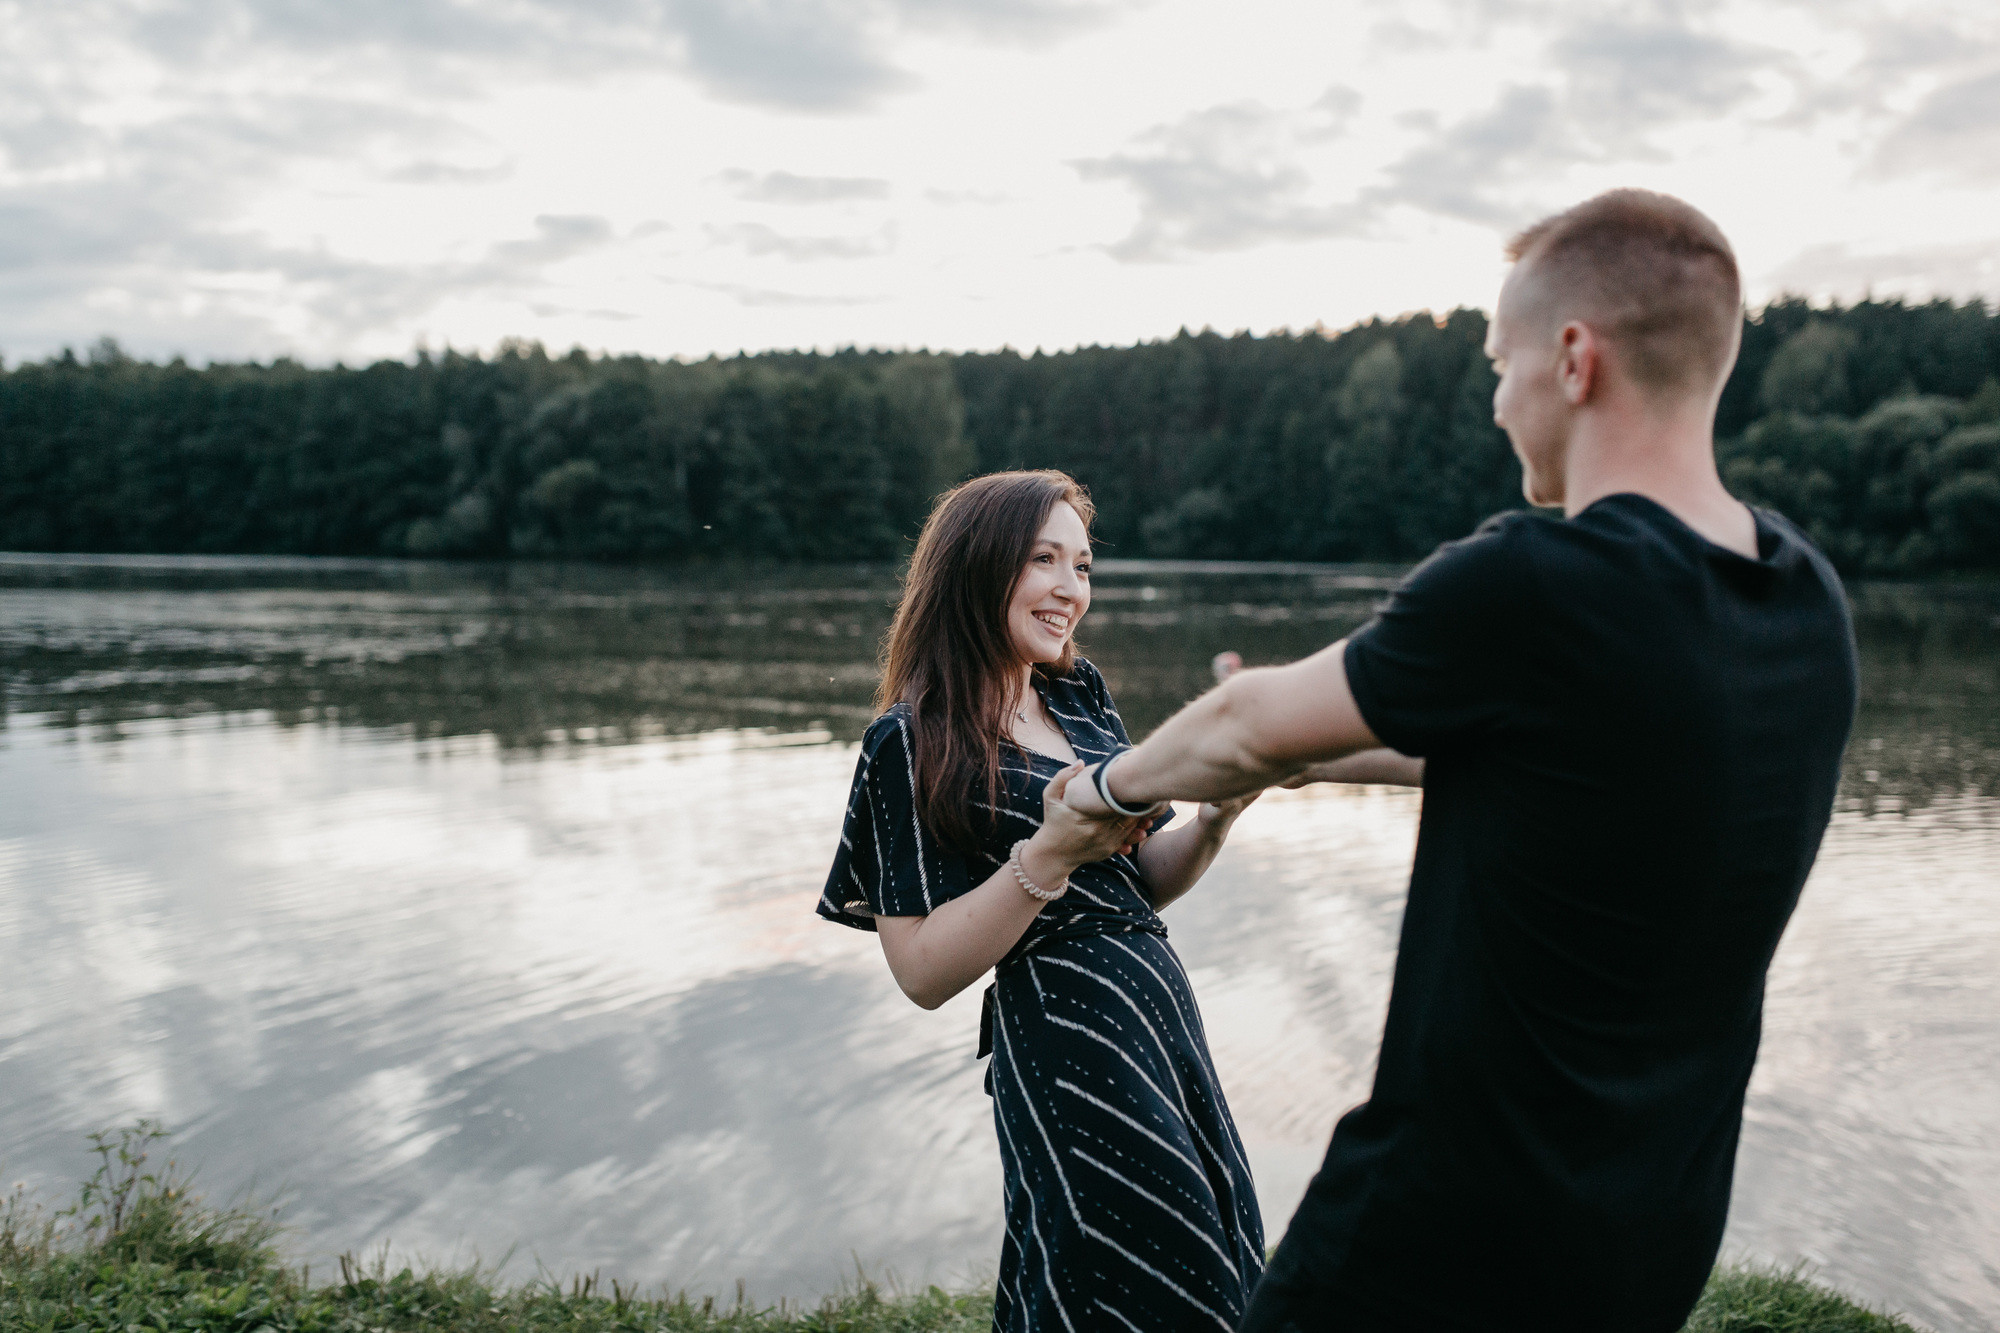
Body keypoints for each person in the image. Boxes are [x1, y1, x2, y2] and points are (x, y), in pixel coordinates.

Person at [1062, 190, 1859, 1332]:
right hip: (1653, 1230)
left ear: (1573, 359)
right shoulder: (1798, 598)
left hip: (1447, 1233)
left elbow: (1240, 718)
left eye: (1499, 362)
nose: (1496, 399)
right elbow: (1559, 762)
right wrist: (1313, 762)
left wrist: (1097, 789)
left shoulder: (1532, 579)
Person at [817, 469, 1273, 1332]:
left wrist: (1216, 818)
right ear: (977, 567)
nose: (1072, 589)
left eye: (1085, 566)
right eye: (1045, 559)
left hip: (1159, 1019)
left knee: (1213, 1258)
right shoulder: (907, 740)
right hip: (1065, 1039)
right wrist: (1047, 854)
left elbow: (1140, 882)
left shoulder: (1078, 693)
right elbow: (919, 969)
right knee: (1140, 1283)